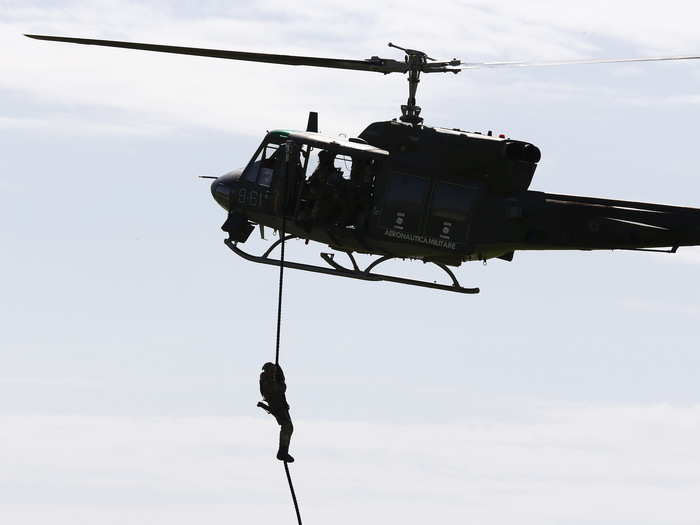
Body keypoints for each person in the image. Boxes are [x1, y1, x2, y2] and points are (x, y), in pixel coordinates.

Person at [257, 362, 294, 462]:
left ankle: (283, 451)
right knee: (287, 426)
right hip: (278, 406)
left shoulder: (268, 380)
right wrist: (279, 378)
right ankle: (282, 451)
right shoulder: (267, 381)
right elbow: (280, 389)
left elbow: (281, 386)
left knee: (288, 427)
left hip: (279, 406)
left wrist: (278, 373)